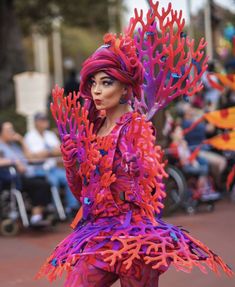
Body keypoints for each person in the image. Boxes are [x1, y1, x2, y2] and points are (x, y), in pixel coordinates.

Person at [37, 2, 232, 286]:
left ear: (126, 87)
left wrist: (130, 160)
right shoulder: (92, 129)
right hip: (98, 235)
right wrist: (72, 163)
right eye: (93, 83)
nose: (97, 90)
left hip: (135, 239)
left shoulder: (137, 126)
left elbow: (147, 184)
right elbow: (83, 195)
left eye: (106, 83)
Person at [24, 112, 79, 217]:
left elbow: (60, 150)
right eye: (41, 120)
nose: (44, 122)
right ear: (36, 122)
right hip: (39, 169)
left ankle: (72, 208)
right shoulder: (30, 136)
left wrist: (46, 152)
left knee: (70, 178)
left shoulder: (50, 134)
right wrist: (49, 152)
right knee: (53, 182)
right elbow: (34, 157)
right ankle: (55, 210)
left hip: (54, 168)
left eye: (45, 119)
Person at [0, 121, 51, 226]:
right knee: (41, 185)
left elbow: (29, 158)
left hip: (25, 175)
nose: (12, 132)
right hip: (11, 178)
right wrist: (14, 162)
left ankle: (39, 213)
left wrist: (22, 141)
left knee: (44, 180)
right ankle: (36, 216)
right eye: (9, 130)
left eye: (12, 129)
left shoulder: (14, 146)